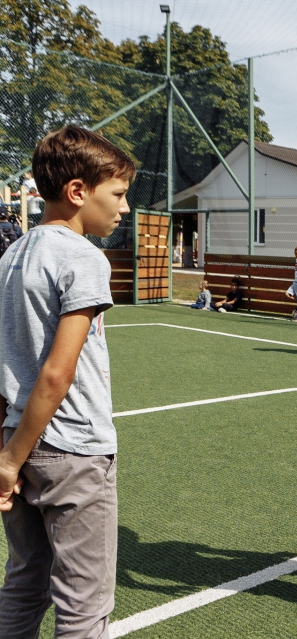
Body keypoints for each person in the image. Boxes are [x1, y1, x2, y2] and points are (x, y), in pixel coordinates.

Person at [0, 125, 135, 637]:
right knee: (84, 601)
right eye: (117, 194)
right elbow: (58, 373)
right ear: (78, 191)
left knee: (24, 582)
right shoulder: (84, 257)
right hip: (74, 450)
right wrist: (8, 461)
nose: (124, 208)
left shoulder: (11, 255)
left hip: (19, 441)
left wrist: (9, 453)